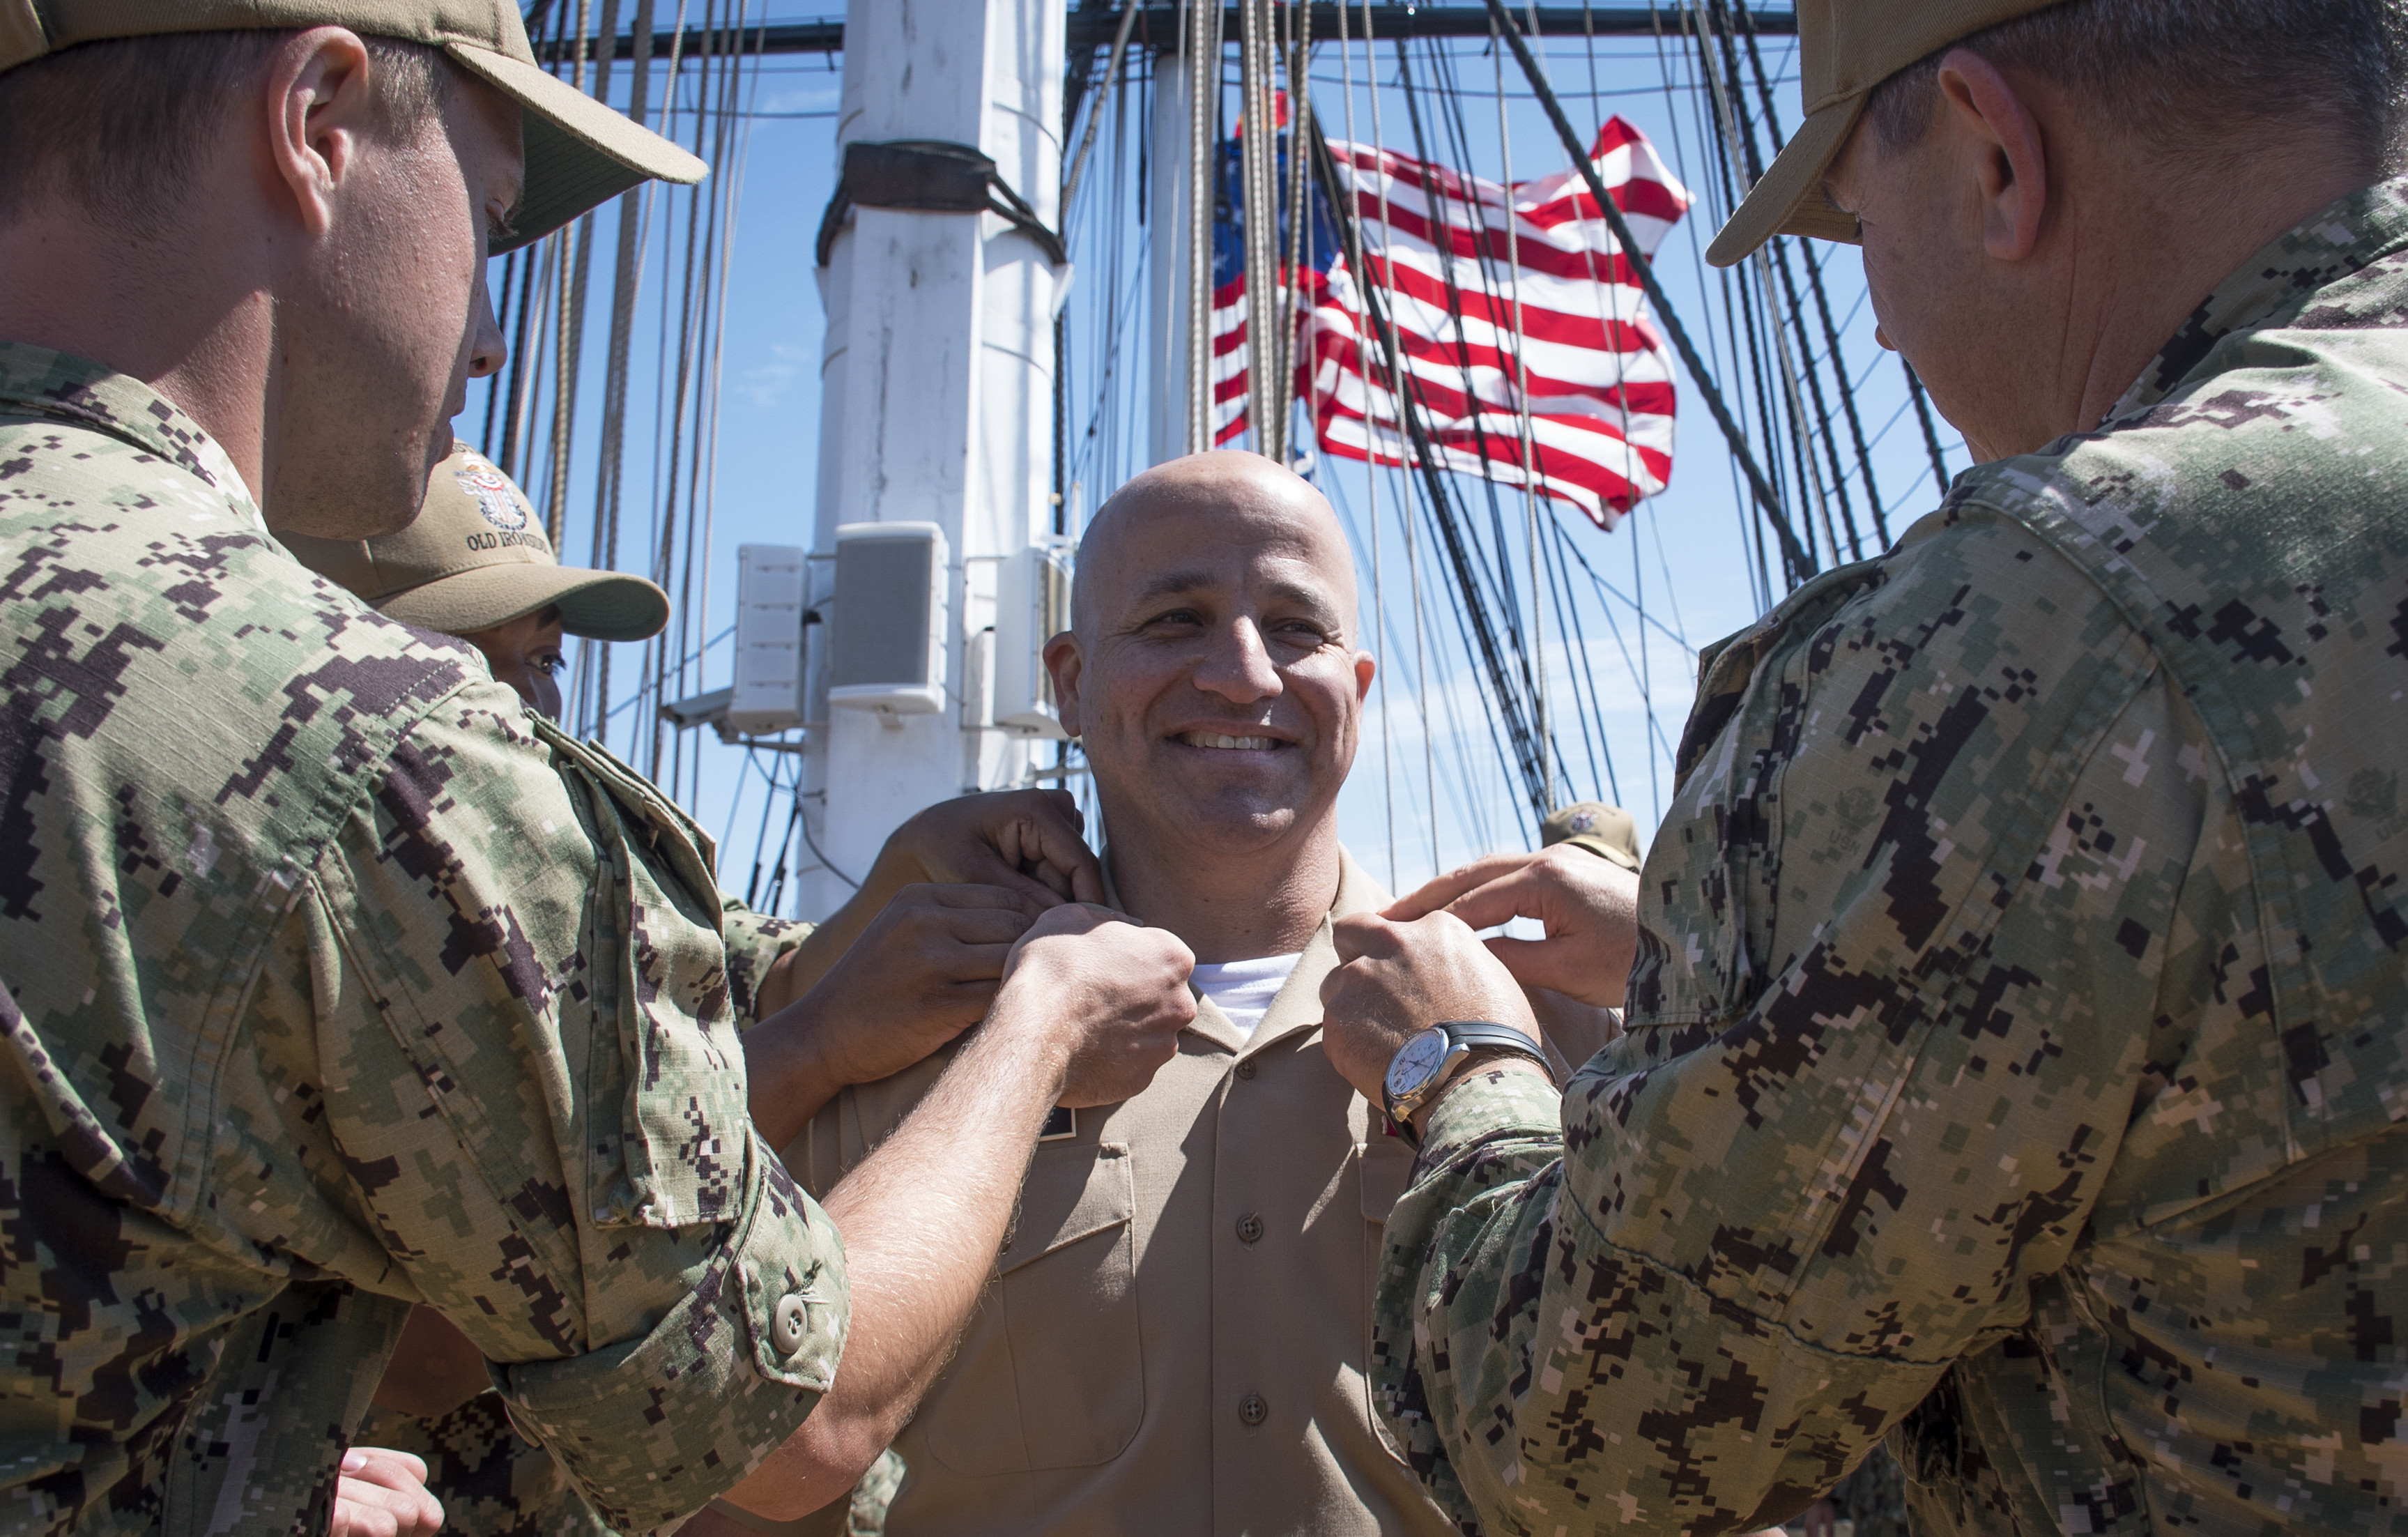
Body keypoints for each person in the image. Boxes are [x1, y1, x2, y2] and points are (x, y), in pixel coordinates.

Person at [0, 6, 1196, 1534]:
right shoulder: (355, 739)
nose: (493, 335)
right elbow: (791, 1411)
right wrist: (1040, 1024)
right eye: (491, 221)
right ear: (317, 121)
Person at [1315, 0, 2408, 1533]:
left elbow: (1591, 1440)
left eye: (1855, 216)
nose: (1879, 319)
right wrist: (1795, 976)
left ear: (1994, 153)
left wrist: (1464, 1065)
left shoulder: (2043, 623)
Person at [776, 450, 1577, 1537]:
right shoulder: (916, 1031)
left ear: (1358, 686)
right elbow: (765, 1487)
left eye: (1296, 626)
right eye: (1174, 621)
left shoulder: (1535, 1034)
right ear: (1069, 682)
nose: (1244, 675)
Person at [291, 445, 1080, 1534]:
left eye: (544, 658)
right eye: (466, 658)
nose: (522, 706)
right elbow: (424, 1346)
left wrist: (906, 871)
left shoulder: (569, 874)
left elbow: (739, 974)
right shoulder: (314, 912)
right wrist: (822, 1046)